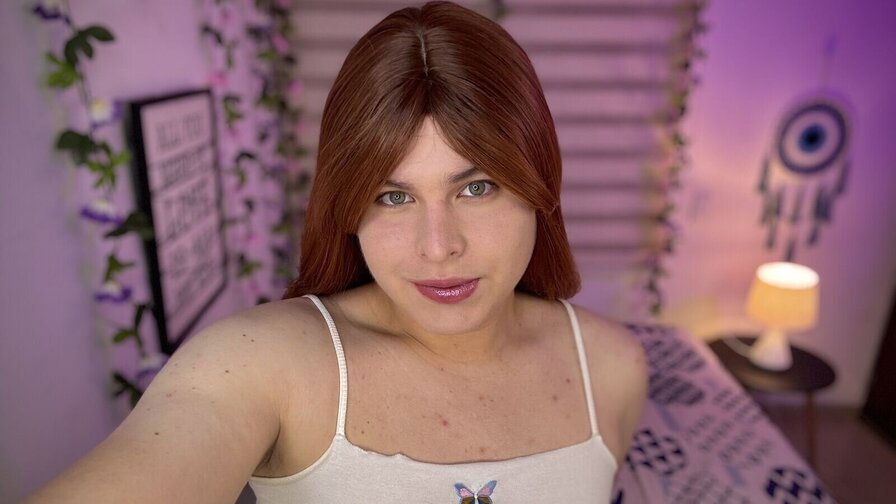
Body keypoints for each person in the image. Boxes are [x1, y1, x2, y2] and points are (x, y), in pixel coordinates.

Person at [26, 1, 647, 502]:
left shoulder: (613, 367)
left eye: (477, 188)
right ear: (347, 209)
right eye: (393, 197)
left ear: (540, 186)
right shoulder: (262, 364)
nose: (439, 247)